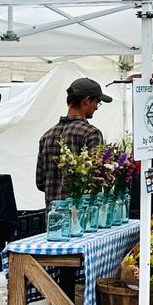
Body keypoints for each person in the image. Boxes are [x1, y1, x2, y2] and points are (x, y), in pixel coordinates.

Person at [36, 78, 112, 208]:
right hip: (82, 214)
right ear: (86, 101)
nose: (96, 108)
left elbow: (40, 182)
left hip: (53, 214)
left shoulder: (46, 136)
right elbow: (97, 178)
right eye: (97, 102)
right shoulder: (91, 133)